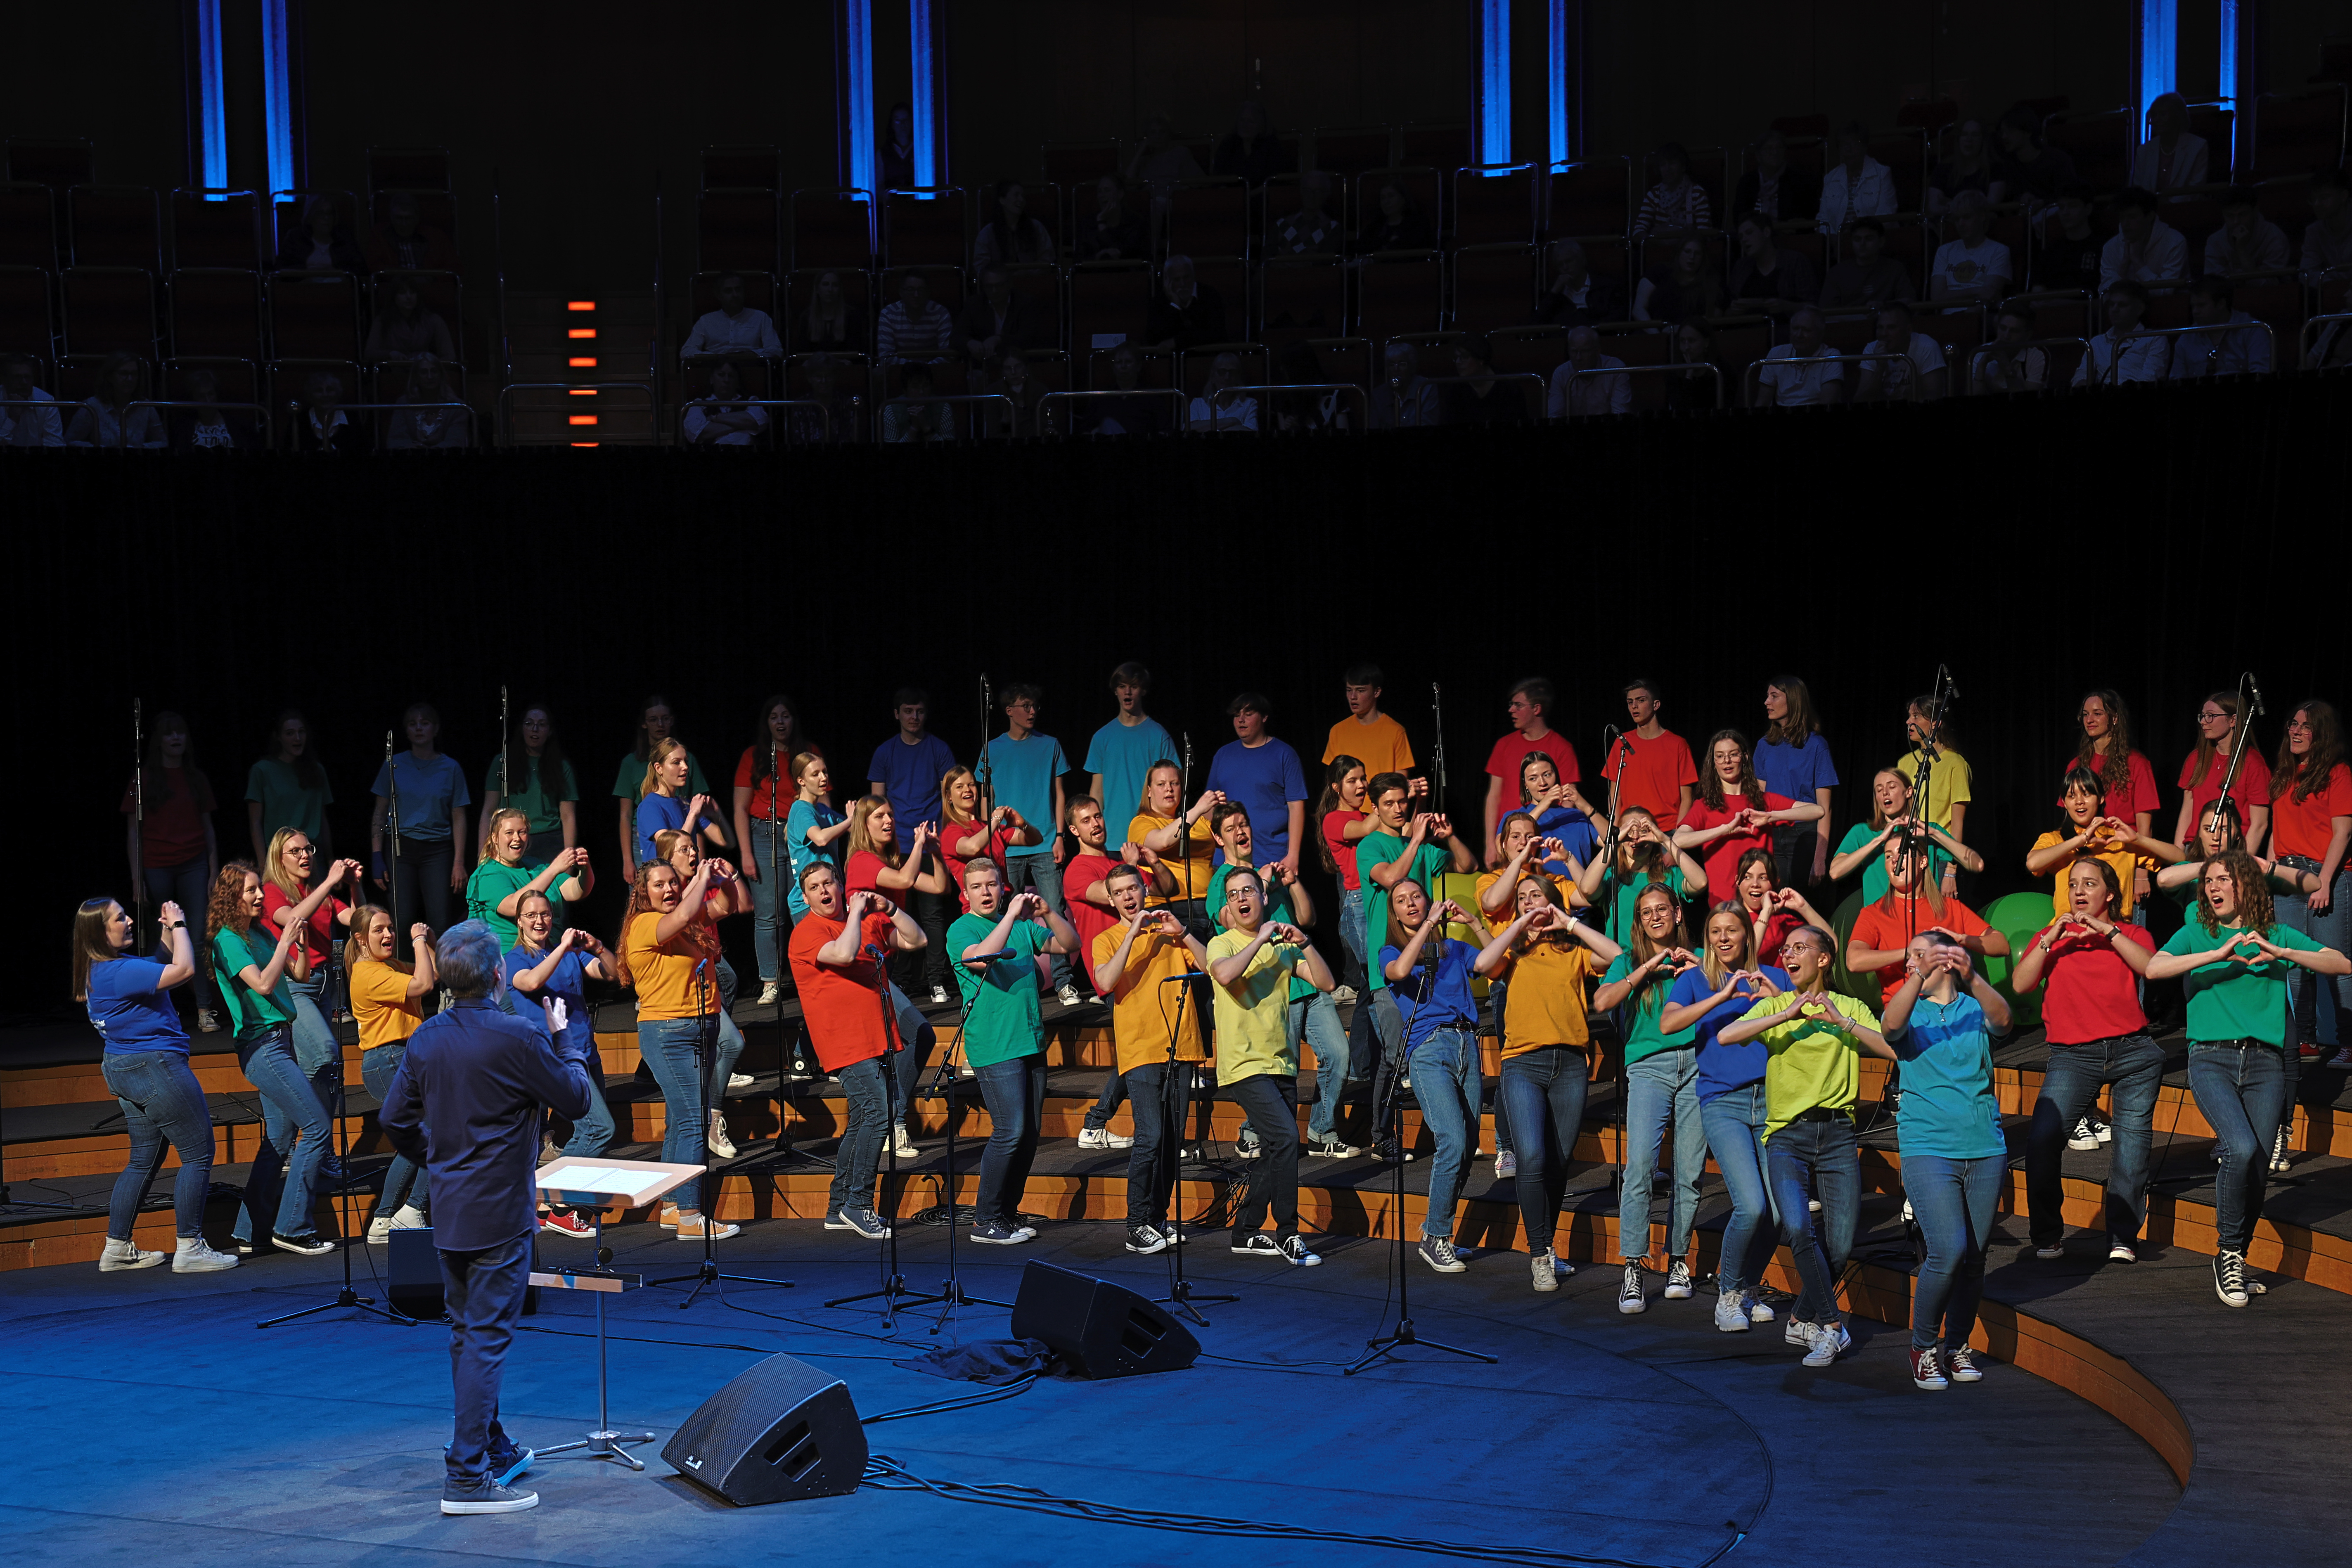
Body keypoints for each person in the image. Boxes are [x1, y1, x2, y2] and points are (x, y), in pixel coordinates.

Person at [377, 920, 598, 1515]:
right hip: (499, 1211)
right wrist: (564, 1037)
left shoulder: (426, 1038)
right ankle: (467, 1475)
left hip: (451, 1210)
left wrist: (439, 1157)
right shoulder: (519, 1036)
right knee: (485, 1339)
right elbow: (576, 1098)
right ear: (499, 975)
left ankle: (491, 1447)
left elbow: (395, 1120)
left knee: (466, 1333)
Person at [2146, 851, 2352, 1306]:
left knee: (2257, 1166)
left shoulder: (2275, 933)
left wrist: (2283, 953)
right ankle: (2229, 1253)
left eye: (2224, 879)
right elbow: (2153, 968)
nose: (2213, 887)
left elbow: (2341, 963)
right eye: (2209, 880)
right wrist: (2217, 953)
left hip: (2265, 1063)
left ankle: (2234, 1254)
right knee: (2238, 1149)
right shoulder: (2197, 932)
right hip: (2211, 1059)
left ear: (2246, 887)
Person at [1712, 924, 1890, 1364]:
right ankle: (1831, 1326)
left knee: (1843, 1244)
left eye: (1800, 948)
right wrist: (1785, 1016)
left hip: (1837, 1135)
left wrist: (1841, 1022)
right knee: (1796, 1227)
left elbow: (1893, 1049)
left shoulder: (1848, 1006)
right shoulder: (1776, 1006)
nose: (1789, 955)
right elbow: (1726, 1037)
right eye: (1786, 948)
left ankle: (1801, 1321)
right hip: (1787, 1136)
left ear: (1824, 959)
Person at [2009, 858, 2163, 1264]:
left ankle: (2122, 1237)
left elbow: (2150, 968)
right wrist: (2051, 938)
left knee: (2131, 1150)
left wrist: (2108, 932)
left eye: (2090, 884)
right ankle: (2047, 1234)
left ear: (2110, 894)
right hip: (2074, 1056)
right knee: (2042, 1142)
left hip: (2133, 1052)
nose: (2079, 891)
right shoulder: (2052, 936)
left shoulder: (2131, 932)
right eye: (2074, 884)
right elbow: (2021, 984)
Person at [1475, 876, 1621, 1290]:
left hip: (1571, 1065)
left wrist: (1571, 924)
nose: (1528, 903)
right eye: (1522, 900)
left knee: (1558, 1162)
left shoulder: (1573, 952)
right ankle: (1539, 1253)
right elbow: (1483, 966)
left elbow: (1618, 957)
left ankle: (1547, 1246)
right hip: (1523, 1063)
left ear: (1553, 903)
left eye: (1536, 897)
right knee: (1533, 1157)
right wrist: (1519, 927)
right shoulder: (1513, 953)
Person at [1880, 931, 2011, 1388]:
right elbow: (1890, 1029)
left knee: (1974, 1257)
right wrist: (1918, 973)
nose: (1913, 961)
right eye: (1912, 955)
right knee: (1948, 1249)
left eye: (1923, 953)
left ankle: (1957, 1346)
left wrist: (1971, 974)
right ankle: (1923, 1347)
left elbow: (2005, 1020)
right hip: (1928, 1145)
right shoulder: (1909, 1008)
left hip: (1983, 1144)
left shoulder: (1974, 1006)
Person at [76, 894, 235, 1272]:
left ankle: (117, 1247)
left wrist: (166, 931)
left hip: (125, 1068)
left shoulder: (103, 968)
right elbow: (181, 971)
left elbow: (160, 965)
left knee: (143, 1159)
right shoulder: (118, 972)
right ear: (101, 930)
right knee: (198, 1153)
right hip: (154, 1067)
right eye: (119, 918)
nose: (129, 921)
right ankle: (190, 1248)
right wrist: (180, 925)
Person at [1659, 900, 1789, 1327]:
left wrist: (1776, 996)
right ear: (1708, 938)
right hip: (1724, 1101)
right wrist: (1722, 995)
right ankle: (1729, 1296)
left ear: (1747, 935)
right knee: (1751, 1206)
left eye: (1732, 930)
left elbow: (1803, 1018)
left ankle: (1750, 1287)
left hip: (1771, 1102)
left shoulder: (1772, 975)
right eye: (1716, 931)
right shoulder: (1696, 980)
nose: (1724, 938)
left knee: (1779, 1210)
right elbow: (1669, 1023)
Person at [207, 860, 340, 1257]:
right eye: (251, 891)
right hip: (262, 1046)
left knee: (279, 1139)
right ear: (232, 897)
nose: (260, 896)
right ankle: (293, 1227)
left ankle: (250, 1232)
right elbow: (264, 984)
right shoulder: (228, 940)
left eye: (259, 890)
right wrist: (284, 943)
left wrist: (296, 944)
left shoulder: (261, 931)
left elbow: (298, 975)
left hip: (282, 1041)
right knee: (317, 1127)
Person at [1207, 803, 1355, 1159]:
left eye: (1244, 824)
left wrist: (1293, 883)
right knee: (1278, 1073)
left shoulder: (1270, 874)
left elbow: (1306, 918)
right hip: (1274, 990)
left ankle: (1321, 1130)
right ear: (1218, 838)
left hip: (1304, 978)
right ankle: (1251, 1131)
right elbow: (1231, 921)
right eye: (1230, 828)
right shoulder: (1226, 882)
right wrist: (1258, 884)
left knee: (1339, 1054)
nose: (1240, 832)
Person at [790, 866, 928, 1239]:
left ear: (840, 886)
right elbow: (844, 953)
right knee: (879, 1112)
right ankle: (858, 1203)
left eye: (828, 883)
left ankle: (838, 1208)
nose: (823, 891)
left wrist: (891, 909)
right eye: (814, 887)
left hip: (877, 1036)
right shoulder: (807, 932)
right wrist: (855, 913)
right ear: (806, 898)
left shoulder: (867, 923)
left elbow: (916, 940)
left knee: (864, 1118)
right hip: (842, 1041)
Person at [1591, 883, 1705, 1310]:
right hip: (1649, 1067)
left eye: (1663, 909)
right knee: (1639, 1166)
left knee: (1690, 1170)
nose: (1655, 917)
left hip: (1697, 1063)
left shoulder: (1699, 960)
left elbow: (1737, 992)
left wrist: (1698, 969)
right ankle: (1634, 1267)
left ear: (1678, 914)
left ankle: (1678, 1261)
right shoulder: (1628, 961)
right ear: (1639, 922)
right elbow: (1603, 1001)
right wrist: (1646, 969)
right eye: (1646, 913)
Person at [951, 861, 1078, 1243]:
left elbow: (1070, 945)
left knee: (1029, 1134)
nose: (986, 892)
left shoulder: (1024, 928)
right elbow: (979, 958)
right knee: (1010, 1130)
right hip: (994, 1045)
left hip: (1029, 1040)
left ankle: (1004, 1215)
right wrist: (1010, 916)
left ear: (1002, 886)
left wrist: (1048, 913)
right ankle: (985, 1219)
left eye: (992, 884)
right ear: (966, 894)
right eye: (977, 887)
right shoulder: (963, 928)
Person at [616, 859, 740, 1241]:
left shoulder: (685, 920)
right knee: (693, 1122)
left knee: (680, 1121)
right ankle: (689, 1214)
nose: (669, 889)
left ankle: (672, 1206)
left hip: (701, 1026)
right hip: (668, 1032)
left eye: (673, 882)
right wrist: (700, 880)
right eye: (660, 885)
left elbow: (727, 906)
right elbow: (690, 907)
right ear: (643, 893)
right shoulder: (644, 924)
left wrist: (727, 880)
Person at [1092, 867, 1209, 1251]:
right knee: (1151, 1137)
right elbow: (1106, 982)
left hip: (1180, 1044)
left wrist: (1184, 933)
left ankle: (1157, 1219)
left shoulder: (1170, 933)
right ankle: (1137, 1223)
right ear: (1110, 900)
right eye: (1119, 893)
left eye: (1133, 889)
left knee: (1172, 1139)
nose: (1128, 897)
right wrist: (1131, 934)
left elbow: (1212, 968)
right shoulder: (1106, 939)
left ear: (1144, 890)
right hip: (1140, 1048)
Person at [1357, 775, 1475, 1141]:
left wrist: (1449, 834)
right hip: (1391, 965)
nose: (1398, 809)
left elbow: (1466, 864)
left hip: (1431, 964)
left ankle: (1442, 1131)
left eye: (1402, 802)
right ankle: (1382, 1135)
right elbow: (1392, 877)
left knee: (1421, 1050)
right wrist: (1418, 840)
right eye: (1389, 803)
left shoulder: (1418, 846)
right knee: (1395, 1055)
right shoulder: (1371, 846)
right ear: (1374, 809)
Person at [1377, 878, 1487, 1271]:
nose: (1410, 904)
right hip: (1428, 1050)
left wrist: (1473, 922)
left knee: (1469, 1141)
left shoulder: (1455, 949)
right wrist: (1428, 928)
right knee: (1452, 1140)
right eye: (1401, 901)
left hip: (1466, 1044)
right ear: (1395, 912)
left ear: (1428, 900)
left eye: (1416, 897)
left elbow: (1494, 962)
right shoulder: (1390, 950)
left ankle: (1438, 1232)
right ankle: (1436, 1235)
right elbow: (1401, 969)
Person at [504, 898, 619, 1235]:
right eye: (531, 916)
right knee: (601, 1129)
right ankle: (555, 1202)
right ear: (520, 922)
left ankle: (553, 1205)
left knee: (587, 1132)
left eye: (545, 914)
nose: (539, 921)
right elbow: (530, 983)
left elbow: (612, 973)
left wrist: (597, 947)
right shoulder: (515, 959)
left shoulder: (568, 952)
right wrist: (564, 947)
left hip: (585, 1052)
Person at [2267, 700, 2352, 1070]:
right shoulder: (2285, 774)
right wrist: (2268, 878)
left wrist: (2325, 882)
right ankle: (2306, 1040)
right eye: (2292, 724)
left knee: (2334, 962)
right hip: (2286, 876)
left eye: (2304, 726)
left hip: (2323, 874)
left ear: (2322, 733)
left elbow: (2343, 832)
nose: (2295, 731)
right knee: (2292, 961)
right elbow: (2276, 832)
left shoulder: (2338, 773)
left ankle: (2348, 1043)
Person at [982, 684, 1080, 1004]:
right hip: (1007, 847)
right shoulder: (991, 748)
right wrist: (990, 836)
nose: (1032, 711)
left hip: (1044, 843)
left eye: (1035, 706)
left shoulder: (1049, 745)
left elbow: (1060, 793)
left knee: (1053, 911)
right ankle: (1008, 981)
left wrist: (1061, 836)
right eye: (1025, 706)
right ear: (1009, 711)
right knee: (1003, 915)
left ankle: (1064, 982)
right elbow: (987, 796)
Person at [124, 710, 220, 1028]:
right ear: (159, 741)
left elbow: (208, 827)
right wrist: (138, 876)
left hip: (193, 864)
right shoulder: (145, 778)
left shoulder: (196, 778)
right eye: (169, 734)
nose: (176, 739)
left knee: (196, 937)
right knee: (162, 936)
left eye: (180, 733)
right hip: (157, 865)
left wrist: (212, 868)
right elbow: (133, 832)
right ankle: (159, 1010)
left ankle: (205, 1010)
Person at [348, 903, 436, 1241]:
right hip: (388, 1060)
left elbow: (434, 972)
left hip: (403, 1058)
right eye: (378, 930)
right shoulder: (370, 974)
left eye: (389, 928)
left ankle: (387, 1218)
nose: (387, 935)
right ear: (359, 939)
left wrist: (425, 940)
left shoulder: (386, 966)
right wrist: (417, 940)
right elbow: (423, 985)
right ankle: (407, 1212)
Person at [1847, 836, 2010, 1008]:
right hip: (1906, 1015)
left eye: (1903, 852)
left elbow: (2001, 946)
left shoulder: (1951, 907)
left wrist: (1962, 939)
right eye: (1888, 856)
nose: (1896, 859)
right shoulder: (1873, 913)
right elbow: (1854, 960)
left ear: (1923, 862)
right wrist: (1911, 953)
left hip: (1953, 1011)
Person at [261, 829, 360, 1099]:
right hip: (295, 986)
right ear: (279, 859)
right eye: (295, 851)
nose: (305, 855)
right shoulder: (272, 891)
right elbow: (292, 918)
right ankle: (305, 1118)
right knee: (325, 1053)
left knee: (322, 1068)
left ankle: (316, 1136)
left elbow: (356, 920)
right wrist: (330, 882)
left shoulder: (317, 891)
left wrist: (353, 885)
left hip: (324, 985)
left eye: (308, 849)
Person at [1675, 729, 1824, 905]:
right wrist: (1726, 829)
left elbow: (1817, 811)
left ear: (1745, 757)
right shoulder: (1705, 805)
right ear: (1713, 763)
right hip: (1723, 904)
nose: (1727, 761)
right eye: (1720, 756)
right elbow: (1678, 840)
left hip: (1761, 903)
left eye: (1733, 755)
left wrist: (1770, 816)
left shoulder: (1763, 801)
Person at [732, 696, 810, 1004]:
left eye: (786, 716)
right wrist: (746, 854)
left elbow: (823, 800)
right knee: (769, 915)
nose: (780, 723)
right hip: (764, 834)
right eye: (774, 717)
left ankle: (809, 975)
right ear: (767, 724)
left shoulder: (808, 753)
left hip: (801, 834)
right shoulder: (754, 756)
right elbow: (740, 808)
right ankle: (770, 981)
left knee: (803, 909)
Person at [368, 703, 468, 939]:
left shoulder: (450, 767)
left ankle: (442, 975)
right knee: (400, 921)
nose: (419, 728)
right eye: (413, 724)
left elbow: (459, 816)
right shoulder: (394, 764)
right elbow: (380, 812)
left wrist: (459, 861)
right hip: (401, 849)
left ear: (435, 729)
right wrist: (376, 856)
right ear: (407, 731)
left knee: (440, 919)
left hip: (438, 849)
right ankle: (402, 973)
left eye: (425, 723)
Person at [2028, 766, 2175, 921]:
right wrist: (2081, 839)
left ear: (2101, 799)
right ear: (2064, 803)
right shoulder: (2055, 839)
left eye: (2086, 794)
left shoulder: (2117, 839)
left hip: (2116, 934)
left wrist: (2139, 839)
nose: (2079, 802)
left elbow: (2178, 857)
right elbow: (2033, 864)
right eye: (2072, 796)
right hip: (2070, 932)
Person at [1831, 767, 1980, 904]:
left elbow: (1977, 864)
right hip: (1882, 922)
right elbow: (1835, 872)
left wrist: (1935, 834)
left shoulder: (1928, 831)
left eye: (1892, 787)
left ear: (1908, 792)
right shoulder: (1863, 832)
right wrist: (1879, 840)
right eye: (1879, 790)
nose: (1885, 793)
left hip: (1924, 920)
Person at [1206, 692, 1308, 879]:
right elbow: (1210, 807)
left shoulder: (1284, 754)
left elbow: (1297, 808)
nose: (1241, 720)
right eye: (1237, 715)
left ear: (1264, 717)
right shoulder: (1223, 755)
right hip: (1229, 862)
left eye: (1248, 714)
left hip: (1272, 860)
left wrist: (1293, 856)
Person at [1578, 805, 1707, 947]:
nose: (1636, 838)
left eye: (1643, 832)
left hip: (1668, 960)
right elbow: (1587, 889)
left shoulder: (1671, 876)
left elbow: (1700, 883)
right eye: (1629, 832)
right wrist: (1615, 842)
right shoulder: (1611, 878)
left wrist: (1665, 840)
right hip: (1626, 963)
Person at [465, 809, 591, 950]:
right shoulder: (487, 874)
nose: (517, 838)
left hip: (551, 949)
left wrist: (585, 870)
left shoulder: (536, 866)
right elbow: (514, 906)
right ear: (495, 838)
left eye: (522, 832)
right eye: (509, 833)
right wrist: (554, 869)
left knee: (602, 966)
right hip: (511, 956)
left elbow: (576, 891)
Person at [1753, 676, 1837, 885]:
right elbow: (1758, 796)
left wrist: (1820, 858)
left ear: (1793, 701)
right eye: (1767, 696)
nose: (1767, 702)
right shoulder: (1765, 745)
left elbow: (1824, 807)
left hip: (1803, 834)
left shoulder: (1816, 745)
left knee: (1799, 901)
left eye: (1774, 696)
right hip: (1772, 832)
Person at [1085, 660, 1177, 841]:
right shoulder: (1102, 738)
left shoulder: (1159, 736)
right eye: (1122, 686)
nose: (1127, 692)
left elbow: (1173, 787)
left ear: (1143, 690)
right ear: (1116, 691)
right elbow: (1097, 791)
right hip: (1112, 837)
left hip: (1151, 835)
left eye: (1133, 687)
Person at [480, 703, 576, 868]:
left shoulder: (561, 766)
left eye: (542, 725)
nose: (535, 729)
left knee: (550, 893)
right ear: (521, 729)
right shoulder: (503, 763)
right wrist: (482, 857)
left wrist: (569, 860)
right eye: (529, 723)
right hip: (511, 839)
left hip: (549, 842)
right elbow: (488, 811)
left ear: (550, 731)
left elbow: (568, 816)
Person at [2176, 690, 2272, 852]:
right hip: (2195, 848)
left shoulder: (2254, 765)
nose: (2203, 722)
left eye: (2211, 716)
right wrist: (2177, 853)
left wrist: (2241, 864)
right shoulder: (2196, 759)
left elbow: (2259, 824)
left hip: (2230, 850)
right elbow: (2187, 811)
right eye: (2203, 716)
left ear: (2233, 720)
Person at [1131, 757, 1222, 923]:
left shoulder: (1199, 821)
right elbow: (1163, 841)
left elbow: (1228, 841)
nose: (1169, 789)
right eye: (1162, 784)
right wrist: (1199, 809)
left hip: (1210, 906)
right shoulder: (1142, 822)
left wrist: (1222, 809)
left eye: (1175, 784)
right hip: (1169, 909)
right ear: (1149, 791)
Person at [1602, 676, 1698, 829]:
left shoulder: (1677, 745)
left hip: (1666, 830)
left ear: (1656, 705)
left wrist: (1679, 835)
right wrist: (1616, 832)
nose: (1634, 706)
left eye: (1641, 701)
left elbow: (1687, 798)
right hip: (1631, 830)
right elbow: (1615, 795)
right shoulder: (1622, 742)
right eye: (1630, 702)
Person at [1895, 693, 1973, 879]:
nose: (1908, 722)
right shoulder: (1905, 763)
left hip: (1940, 855)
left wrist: (1951, 870)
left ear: (1935, 723)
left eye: (1916, 717)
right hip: (1909, 851)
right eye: (1909, 716)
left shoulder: (1956, 763)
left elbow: (1957, 823)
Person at [1317, 756, 1375, 994]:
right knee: (1372, 978)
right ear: (1336, 787)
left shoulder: (1367, 816)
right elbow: (1364, 829)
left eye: (1363, 779)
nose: (1362, 785)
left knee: (1379, 977)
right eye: (1353, 781)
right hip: (1359, 900)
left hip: (1379, 895)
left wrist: (1417, 801)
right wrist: (1387, 800)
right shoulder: (1334, 819)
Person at [246, 710, 333, 865]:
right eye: (290, 733)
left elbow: (322, 819)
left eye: (301, 732)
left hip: (312, 853)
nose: (298, 738)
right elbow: (255, 823)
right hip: (280, 856)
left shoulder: (316, 770)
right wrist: (263, 864)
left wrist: (330, 858)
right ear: (278, 737)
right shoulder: (262, 771)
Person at [785, 747, 853, 933]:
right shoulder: (801, 810)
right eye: (815, 774)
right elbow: (821, 838)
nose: (823, 778)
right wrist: (850, 820)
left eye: (825, 772)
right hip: (807, 904)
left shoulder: (822, 810)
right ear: (801, 781)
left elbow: (854, 827)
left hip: (829, 897)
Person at [633, 737, 725, 872]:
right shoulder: (650, 806)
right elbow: (670, 850)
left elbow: (724, 841)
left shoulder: (685, 805)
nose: (686, 767)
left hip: (686, 883)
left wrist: (717, 814)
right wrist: (693, 815)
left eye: (686, 761)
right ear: (659, 768)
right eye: (677, 763)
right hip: (665, 884)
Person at [2170, 275, 2274, 379]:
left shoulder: (2253, 330)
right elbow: (2176, 383)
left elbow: (2261, 377)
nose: (2195, 311)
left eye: (2201, 305)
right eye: (2193, 306)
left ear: (2221, 304)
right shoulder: (2186, 339)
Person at [1327, 663, 1414, 787]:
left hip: (1381, 805)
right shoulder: (1337, 731)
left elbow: (1400, 782)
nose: (1353, 697)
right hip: (1346, 807)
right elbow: (1333, 779)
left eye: (1360, 691)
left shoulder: (1395, 731)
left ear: (1377, 692)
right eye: (1349, 690)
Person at [1855, 299, 1951, 403]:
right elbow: (1861, 402)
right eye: (1880, 328)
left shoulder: (1926, 346)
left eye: (1891, 328)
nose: (1884, 334)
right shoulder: (1871, 349)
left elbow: (1934, 397)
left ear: (1909, 330)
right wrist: (1880, 367)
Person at [1727, 210, 1819, 317]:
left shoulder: (1795, 262)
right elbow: (1726, 311)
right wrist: (1733, 309)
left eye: (1749, 233)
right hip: (1747, 330)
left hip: (1786, 329)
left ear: (1766, 232)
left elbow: (1814, 307)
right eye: (1741, 237)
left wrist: (1787, 307)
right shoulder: (1741, 267)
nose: (1744, 240)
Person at [65, 353, 164, 450]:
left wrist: (139, 449)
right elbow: (70, 442)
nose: (130, 379)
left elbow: (162, 442)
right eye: (124, 373)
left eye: (134, 374)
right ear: (110, 376)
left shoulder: (145, 406)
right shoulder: (92, 407)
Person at [1929, 190, 2013, 303]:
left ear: (1982, 216)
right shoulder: (1944, 250)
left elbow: (1989, 296)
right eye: (1957, 219)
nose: (1961, 224)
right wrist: (1977, 291)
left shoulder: (1999, 251)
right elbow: (1936, 296)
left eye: (1967, 217)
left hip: (1979, 316)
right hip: (1946, 317)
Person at [679, 271, 780, 364]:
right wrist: (715, 357)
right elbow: (687, 351)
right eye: (728, 291)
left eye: (738, 290)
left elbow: (776, 350)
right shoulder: (706, 320)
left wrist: (751, 355)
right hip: (716, 368)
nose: (735, 295)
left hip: (751, 365)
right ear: (718, 295)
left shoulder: (761, 317)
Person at [1993, 107, 2077, 215]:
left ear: (2028, 132)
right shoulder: (2007, 164)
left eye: (2010, 131)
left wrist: (2042, 203)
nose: (2004, 137)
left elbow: (2071, 195)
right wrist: (2021, 199)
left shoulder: (2057, 160)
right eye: (2002, 132)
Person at [1751, 306, 1842, 406]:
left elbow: (1828, 403)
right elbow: (1763, 402)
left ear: (1820, 334)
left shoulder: (1831, 356)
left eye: (1806, 330)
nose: (1799, 335)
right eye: (1795, 329)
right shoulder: (1777, 353)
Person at [1816, 121, 1897, 234]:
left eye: (1854, 143)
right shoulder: (1830, 178)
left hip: (1871, 241)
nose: (1849, 149)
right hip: (1838, 243)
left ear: (1864, 146)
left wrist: (1859, 236)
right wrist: (1833, 240)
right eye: (1844, 144)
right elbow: (1823, 220)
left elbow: (1886, 217)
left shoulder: (1882, 174)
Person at [2099, 188, 2187, 290]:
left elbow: (2166, 292)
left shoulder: (2175, 242)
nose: (2125, 224)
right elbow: (2105, 295)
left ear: (2150, 216)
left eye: (2132, 217)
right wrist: (2124, 266)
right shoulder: (2111, 247)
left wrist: (2138, 262)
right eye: (2122, 218)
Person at [1125, 113, 1206, 224]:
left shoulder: (1180, 153)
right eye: (1153, 132)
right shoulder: (1144, 160)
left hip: (1171, 199)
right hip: (1146, 199)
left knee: (1154, 208)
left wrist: (1183, 189)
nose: (1158, 136)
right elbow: (1128, 182)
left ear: (1169, 134)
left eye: (1162, 132)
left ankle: (1153, 242)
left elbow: (1200, 180)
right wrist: (1139, 152)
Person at [1732, 127, 1820, 226]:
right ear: (1758, 155)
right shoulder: (1747, 182)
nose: (1775, 153)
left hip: (1787, 233)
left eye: (1779, 148)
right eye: (1769, 149)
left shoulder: (1799, 180)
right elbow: (1739, 216)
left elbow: (1810, 213)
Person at [1817, 217, 1910, 308]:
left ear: (1881, 242)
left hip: (1885, 320)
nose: (1862, 244)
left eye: (1869, 239)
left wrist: (1884, 307)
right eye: (1857, 239)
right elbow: (1826, 310)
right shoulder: (1836, 273)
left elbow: (1908, 300)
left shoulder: (1895, 268)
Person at [2030, 184, 2105, 294]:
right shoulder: (2050, 251)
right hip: (2050, 308)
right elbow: (2037, 291)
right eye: (2061, 208)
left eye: (2073, 206)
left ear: (2088, 209)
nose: (2065, 213)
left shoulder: (2104, 248)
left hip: (2086, 308)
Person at [365, 275, 458, 363]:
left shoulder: (433, 320)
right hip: (395, 371)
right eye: (402, 293)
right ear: (394, 297)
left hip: (426, 374)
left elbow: (449, 355)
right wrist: (390, 354)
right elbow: (369, 353)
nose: (409, 297)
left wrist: (430, 365)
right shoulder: (382, 321)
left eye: (413, 292)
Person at [1632, 235, 1725, 322]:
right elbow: (1638, 309)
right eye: (1687, 252)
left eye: (1697, 253)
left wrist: (1682, 330)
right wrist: (1656, 333)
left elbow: (1715, 315)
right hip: (1654, 332)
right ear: (1679, 253)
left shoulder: (1711, 280)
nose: (1692, 257)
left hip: (1692, 335)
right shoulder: (1659, 271)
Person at [1533, 238, 1624, 325]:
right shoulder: (1555, 291)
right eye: (1560, 265)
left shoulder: (1605, 286)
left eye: (1569, 261)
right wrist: (1554, 292)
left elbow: (1616, 318)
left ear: (1582, 260)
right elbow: (1538, 322)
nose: (1565, 268)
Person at [2129, 92, 2209, 192]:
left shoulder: (2197, 147)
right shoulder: (2143, 151)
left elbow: (2195, 190)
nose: (2157, 120)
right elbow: (2139, 191)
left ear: (2178, 117)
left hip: (2185, 207)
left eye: (2163, 114)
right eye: (2154, 115)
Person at [2204, 186, 2290, 277]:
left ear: (2255, 211)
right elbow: (2214, 283)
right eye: (2230, 216)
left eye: (2242, 215)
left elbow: (2270, 285)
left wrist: (2242, 251)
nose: (2236, 222)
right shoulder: (2215, 241)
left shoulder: (2274, 237)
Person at [1547, 325, 1632, 419]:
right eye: (1574, 352)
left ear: (1598, 351)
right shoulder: (1561, 374)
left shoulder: (1616, 369)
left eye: (1585, 351)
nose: (1578, 358)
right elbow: (1554, 417)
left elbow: (1620, 416)